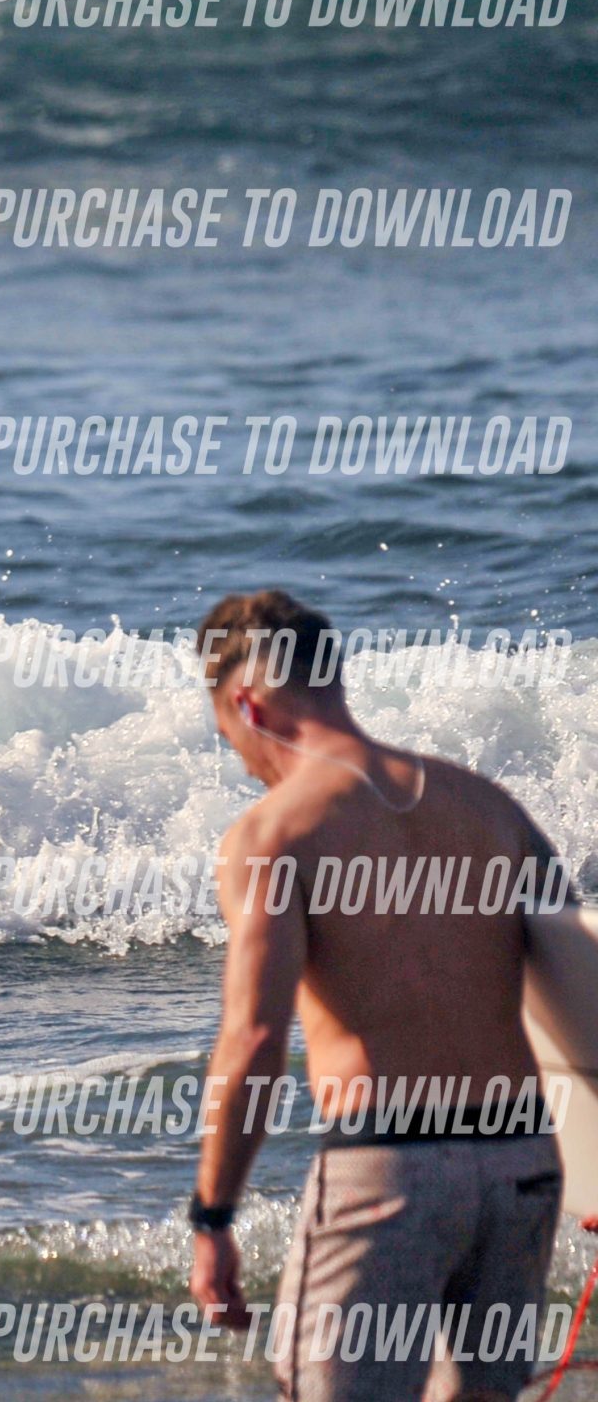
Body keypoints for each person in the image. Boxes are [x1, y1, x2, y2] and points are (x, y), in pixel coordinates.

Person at [188, 590, 566, 1402]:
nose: (244, 763)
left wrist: (212, 1217)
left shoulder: (272, 836)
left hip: (388, 1167)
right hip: (523, 1163)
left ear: (248, 705)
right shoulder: (488, 806)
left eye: (230, 738)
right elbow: (580, 977)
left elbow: (255, 1037)